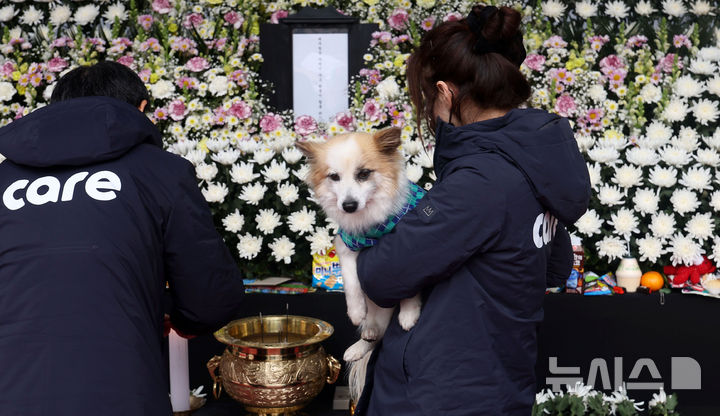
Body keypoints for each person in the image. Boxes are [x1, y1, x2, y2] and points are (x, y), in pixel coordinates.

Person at [353, 5, 591, 415]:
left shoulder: (482, 180)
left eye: (430, 98)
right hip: (497, 381)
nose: (431, 110)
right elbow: (555, 267)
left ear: (446, 93)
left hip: (443, 393)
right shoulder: (528, 166)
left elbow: (381, 276)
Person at [0, 61, 245, 415]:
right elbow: (210, 297)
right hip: (121, 391)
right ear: (142, 110)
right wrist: (176, 316)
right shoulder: (162, 171)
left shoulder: (4, 180)